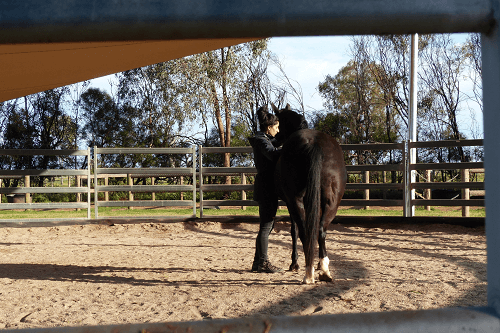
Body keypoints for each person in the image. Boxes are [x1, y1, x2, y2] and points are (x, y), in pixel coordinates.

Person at [248, 106, 283, 273]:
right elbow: (273, 154)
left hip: (266, 185)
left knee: (266, 226)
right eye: (276, 127)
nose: (278, 130)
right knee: (266, 226)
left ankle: (257, 263)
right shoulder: (262, 141)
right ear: (269, 127)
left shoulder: (263, 138)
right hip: (266, 186)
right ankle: (263, 263)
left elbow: (275, 145)